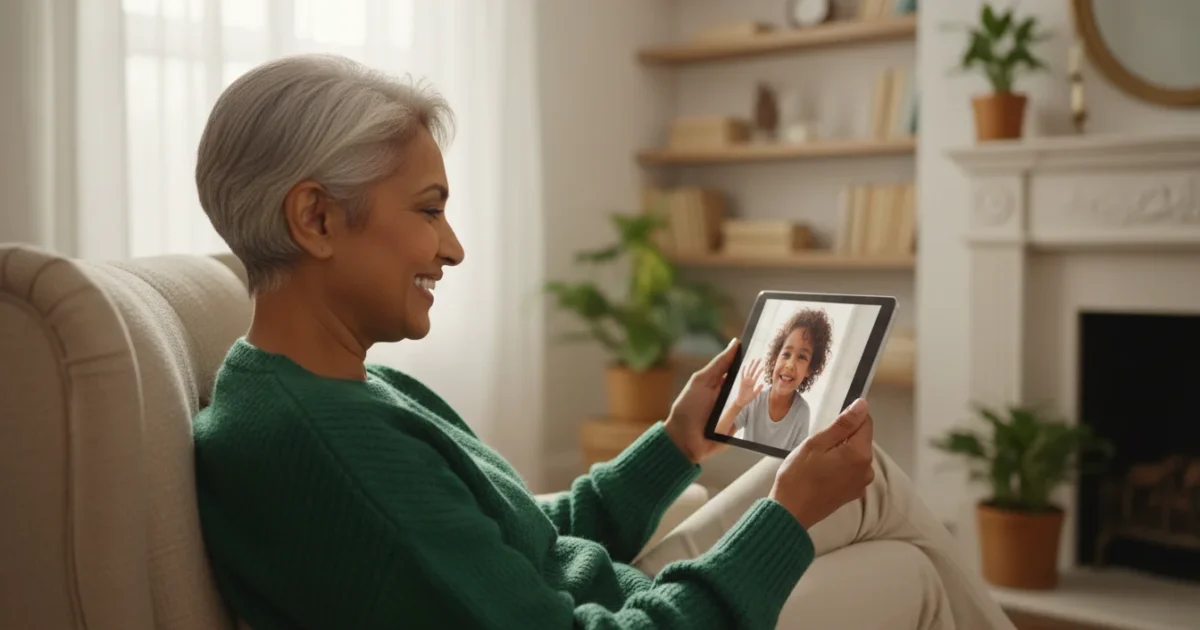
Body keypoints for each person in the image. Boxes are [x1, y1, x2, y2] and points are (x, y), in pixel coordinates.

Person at [191, 54, 1018, 630]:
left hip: (608, 593)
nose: (453, 248)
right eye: (429, 209)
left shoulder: (325, 386)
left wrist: (673, 444)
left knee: (865, 477)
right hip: (627, 618)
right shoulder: (329, 449)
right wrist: (789, 521)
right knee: (905, 573)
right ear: (317, 217)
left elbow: (523, 535)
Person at [715, 308, 833, 451]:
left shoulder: (802, 412)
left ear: (810, 369)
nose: (789, 365)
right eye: (786, 354)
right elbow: (717, 439)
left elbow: (794, 460)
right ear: (776, 357)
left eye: (802, 357)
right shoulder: (755, 399)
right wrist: (738, 404)